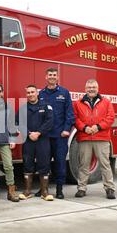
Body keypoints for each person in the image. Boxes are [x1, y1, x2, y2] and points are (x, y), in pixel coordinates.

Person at [73, 79, 116, 199]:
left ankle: (110, 189)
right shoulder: (78, 103)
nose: (91, 89)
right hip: (85, 137)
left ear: (98, 88)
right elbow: (75, 119)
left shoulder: (106, 102)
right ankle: (81, 188)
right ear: (85, 89)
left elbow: (110, 118)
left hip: (101, 137)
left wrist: (98, 127)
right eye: (89, 87)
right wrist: (84, 128)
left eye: (93, 87)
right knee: (83, 164)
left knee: (105, 164)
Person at [38, 68, 75, 199]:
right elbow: (38, 115)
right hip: (45, 136)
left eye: (54, 75)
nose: (52, 77)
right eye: (50, 75)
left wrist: (66, 129)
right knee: (44, 163)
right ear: (46, 77)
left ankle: (59, 189)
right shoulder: (41, 93)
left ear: (57, 77)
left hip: (60, 135)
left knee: (60, 163)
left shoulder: (64, 93)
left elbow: (69, 113)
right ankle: (43, 188)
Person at [17, 85, 54, 201]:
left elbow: (50, 122)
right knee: (28, 164)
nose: (30, 94)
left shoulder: (46, 106)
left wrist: (38, 133)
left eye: (32, 92)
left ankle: (44, 191)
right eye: (28, 93)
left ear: (37, 93)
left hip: (42, 140)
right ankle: (28, 191)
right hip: (28, 140)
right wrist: (28, 134)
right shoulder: (23, 108)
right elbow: (18, 123)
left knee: (44, 164)